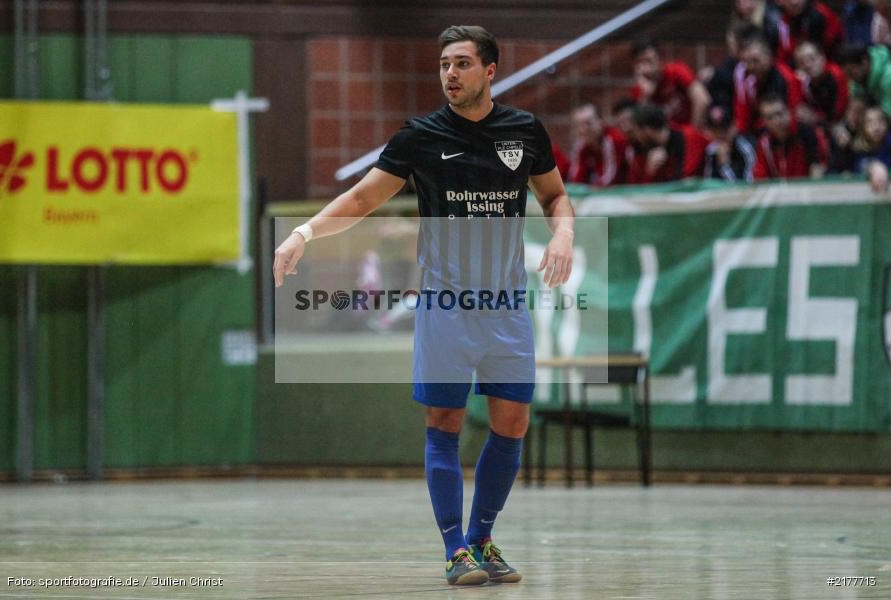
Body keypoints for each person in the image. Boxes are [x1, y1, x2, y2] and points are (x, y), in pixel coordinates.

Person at [273, 25, 575, 586]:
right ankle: (455, 548)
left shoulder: (525, 130)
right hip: (445, 304)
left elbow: (554, 195)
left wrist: (564, 234)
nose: (450, 75)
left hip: (506, 303)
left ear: (490, 70)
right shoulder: (420, 136)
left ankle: (482, 538)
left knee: (513, 421)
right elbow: (361, 198)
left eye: (461, 63)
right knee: (445, 421)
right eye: (443, 65)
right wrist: (303, 234)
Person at [630, 39, 711, 128]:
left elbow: (702, 99)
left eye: (649, 60)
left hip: (687, 129)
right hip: (663, 135)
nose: (647, 66)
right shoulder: (639, 90)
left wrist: (693, 131)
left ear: (658, 59)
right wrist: (646, 94)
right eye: (641, 62)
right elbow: (641, 126)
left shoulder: (675, 71)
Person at [734, 33, 803, 134]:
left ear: (769, 57)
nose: (751, 66)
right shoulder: (748, 82)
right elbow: (743, 116)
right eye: (747, 62)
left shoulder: (787, 77)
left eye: (755, 60)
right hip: (760, 130)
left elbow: (795, 111)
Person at [627, 103, 710, 184]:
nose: (634, 136)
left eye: (635, 131)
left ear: (646, 130)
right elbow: (633, 188)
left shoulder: (689, 138)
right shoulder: (640, 148)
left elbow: (684, 183)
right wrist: (649, 172)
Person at [753, 94, 828, 179]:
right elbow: (760, 177)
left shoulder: (809, 133)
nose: (777, 121)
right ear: (764, 121)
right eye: (770, 118)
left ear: (788, 111)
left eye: (779, 114)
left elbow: (819, 169)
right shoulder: (764, 143)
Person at [566, 103, 628, 186]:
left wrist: (590, 189)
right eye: (577, 125)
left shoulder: (614, 140)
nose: (582, 130)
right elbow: (575, 178)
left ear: (600, 122)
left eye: (588, 123)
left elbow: (611, 179)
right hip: (598, 190)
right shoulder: (581, 145)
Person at [793, 41, 849, 126]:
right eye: (802, 62)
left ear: (822, 57)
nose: (808, 64)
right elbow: (800, 110)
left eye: (812, 58)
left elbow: (837, 113)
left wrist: (817, 118)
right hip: (822, 122)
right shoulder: (801, 82)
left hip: (842, 120)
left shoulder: (836, 74)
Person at [774, 0, 844, 66]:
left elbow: (834, 46)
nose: (794, 2)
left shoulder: (822, 14)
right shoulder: (782, 22)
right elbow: (783, 55)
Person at [702, 105, 757, 182]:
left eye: (725, 128)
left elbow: (748, 184)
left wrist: (724, 165)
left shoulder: (746, 148)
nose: (720, 134)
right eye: (715, 130)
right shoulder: (711, 151)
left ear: (734, 126)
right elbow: (708, 182)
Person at [837, 42, 891, 117]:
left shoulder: (888, 77)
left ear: (864, 62)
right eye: (847, 75)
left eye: (851, 73)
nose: (850, 79)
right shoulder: (857, 80)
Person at [851, 105, 891, 191]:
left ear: (887, 124)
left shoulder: (889, 142)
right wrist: (872, 167)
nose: (876, 127)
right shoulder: (859, 149)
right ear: (863, 127)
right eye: (870, 122)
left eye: (880, 121)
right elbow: (858, 169)